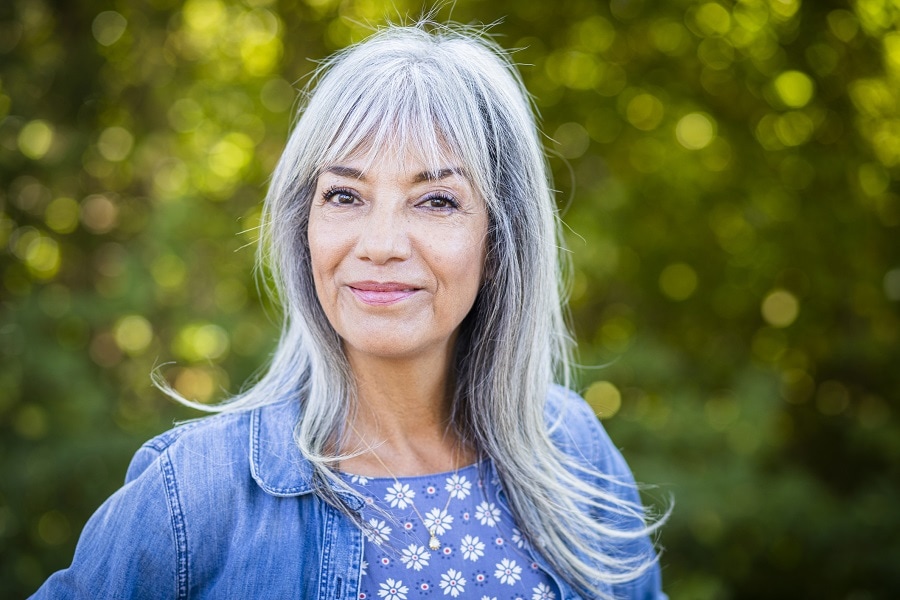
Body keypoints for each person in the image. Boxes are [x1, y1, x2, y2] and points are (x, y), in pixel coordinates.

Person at [32, 22, 667, 600]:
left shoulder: (572, 447)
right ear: (302, 228)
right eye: (344, 194)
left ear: (498, 241)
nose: (381, 245)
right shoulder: (197, 491)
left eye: (436, 200)